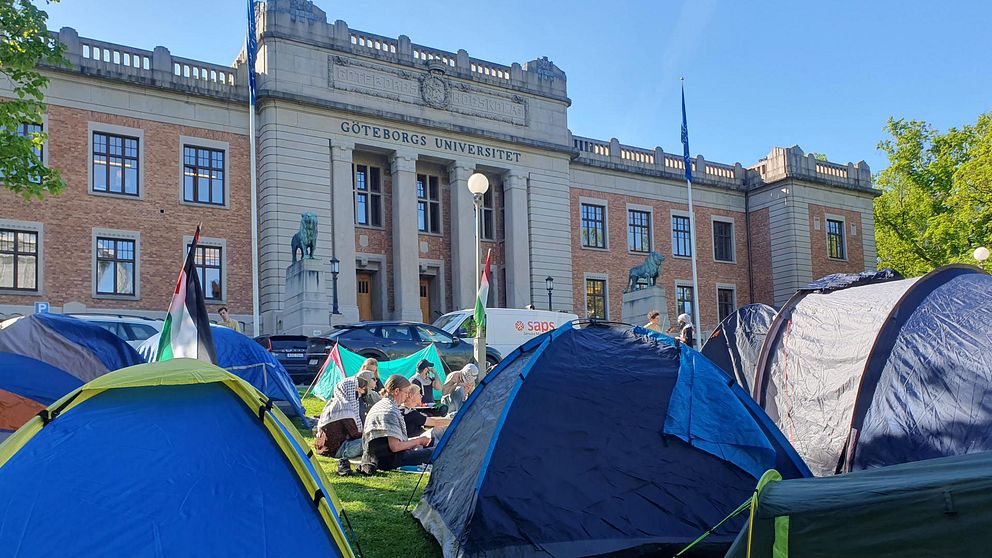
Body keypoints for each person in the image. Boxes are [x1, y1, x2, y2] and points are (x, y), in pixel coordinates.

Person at [362, 375, 432, 472]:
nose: (407, 396)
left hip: (371, 457)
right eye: (406, 392)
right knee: (434, 451)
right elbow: (395, 447)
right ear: (396, 391)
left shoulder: (379, 405)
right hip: (388, 460)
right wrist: (419, 441)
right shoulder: (391, 411)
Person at [314, 377, 367, 462]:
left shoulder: (333, 403)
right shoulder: (345, 407)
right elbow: (354, 434)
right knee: (370, 442)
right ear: (352, 389)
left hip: (324, 448)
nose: (361, 393)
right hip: (336, 450)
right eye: (361, 389)